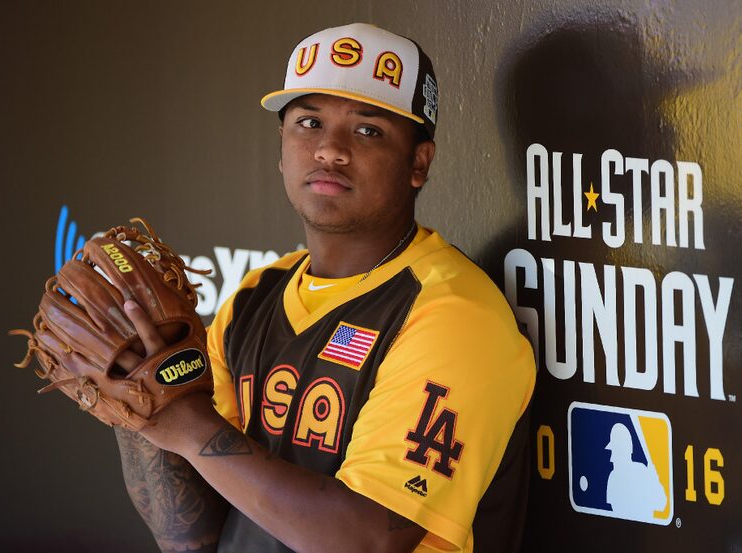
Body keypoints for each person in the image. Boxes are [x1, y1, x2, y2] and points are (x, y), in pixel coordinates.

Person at [114, 22, 535, 553]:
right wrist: (137, 407)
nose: (329, 150)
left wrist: (184, 423)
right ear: (282, 147)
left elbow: (366, 542)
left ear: (419, 163)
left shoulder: (452, 314)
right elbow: (190, 536)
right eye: (308, 122)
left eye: (368, 131)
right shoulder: (255, 295)